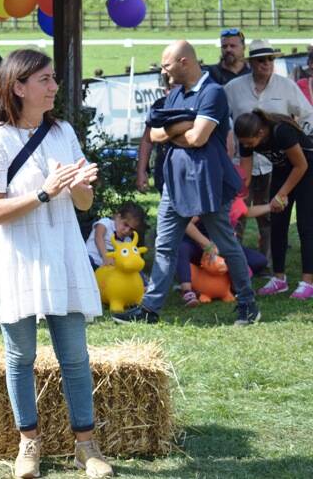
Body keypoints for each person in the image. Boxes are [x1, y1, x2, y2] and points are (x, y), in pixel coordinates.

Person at [0, 49, 112, 479]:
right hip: (16, 256)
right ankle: (27, 445)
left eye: (53, 79)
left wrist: (83, 185)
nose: (54, 86)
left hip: (63, 252)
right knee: (20, 357)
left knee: (74, 355)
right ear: (18, 87)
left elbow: (84, 203)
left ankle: (86, 448)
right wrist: (46, 192)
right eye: (45, 80)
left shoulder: (63, 131)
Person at [112, 40, 260, 326]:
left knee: (227, 246)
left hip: (209, 184)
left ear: (184, 62)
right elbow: (154, 135)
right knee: (164, 246)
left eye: (167, 65)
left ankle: (247, 304)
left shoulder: (213, 93)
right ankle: (149, 310)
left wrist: (176, 129)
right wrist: (186, 123)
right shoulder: (175, 94)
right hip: (174, 184)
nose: (164, 72)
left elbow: (198, 139)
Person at [225, 40, 313, 260]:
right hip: (245, 160)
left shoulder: (286, 86)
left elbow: (307, 114)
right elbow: (220, 117)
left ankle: (265, 262)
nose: (267, 64)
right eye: (261, 60)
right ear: (251, 63)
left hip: (281, 163)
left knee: (272, 216)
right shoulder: (232, 88)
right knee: (237, 213)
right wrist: (228, 140)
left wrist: (299, 140)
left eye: (271, 59)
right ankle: (235, 261)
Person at [235, 109, 313, 299]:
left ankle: (308, 282)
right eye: (243, 142)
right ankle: (279, 279)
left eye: (249, 142)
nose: (246, 145)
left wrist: (282, 194)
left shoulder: (281, 131)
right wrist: (237, 196)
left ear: (260, 133)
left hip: (307, 171)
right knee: (277, 224)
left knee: (306, 226)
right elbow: (245, 173)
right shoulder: (247, 138)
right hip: (281, 171)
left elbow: (301, 165)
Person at [136, 73, 174, 194]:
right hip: (164, 172)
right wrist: (141, 171)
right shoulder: (159, 106)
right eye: (170, 88)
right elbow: (147, 140)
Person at [86, 202, 147, 270]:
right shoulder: (105, 223)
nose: (127, 230)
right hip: (90, 261)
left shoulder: (128, 241)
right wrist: (106, 257)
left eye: (131, 229)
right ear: (118, 217)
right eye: (125, 224)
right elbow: (98, 237)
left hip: (108, 270)